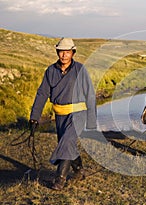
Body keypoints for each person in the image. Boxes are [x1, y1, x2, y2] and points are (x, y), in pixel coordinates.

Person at [29, 37, 97, 190]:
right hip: (60, 115)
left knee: (66, 142)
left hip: (78, 113)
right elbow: (42, 94)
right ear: (57, 52)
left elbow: (90, 94)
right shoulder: (50, 71)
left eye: (67, 52)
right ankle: (80, 171)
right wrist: (34, 117)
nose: (64, 55)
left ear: (73, 53)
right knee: (68, 144)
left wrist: (92, 120)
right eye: (61, 52)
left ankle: (60, 179)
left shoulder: (80, 69)